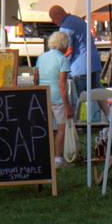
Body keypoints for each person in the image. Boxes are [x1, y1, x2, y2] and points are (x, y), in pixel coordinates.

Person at [49, 4, 102, 121]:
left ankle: (78, 124)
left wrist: (59, 66)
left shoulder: (65, 27)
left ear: (60, 14)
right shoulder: (78, 20)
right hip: (94, 62)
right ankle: (108, 118)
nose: (52, 21)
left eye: (53, 17)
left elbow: (68, 50)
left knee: (79, 98)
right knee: (98, 94)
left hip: (80, 67)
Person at [37, 30, 74, 166]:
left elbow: (36, 78)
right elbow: (62, 86)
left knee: (45, 129)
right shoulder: (62, 59)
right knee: (61, 129)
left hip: (43, 96)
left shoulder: (41, 57)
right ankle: (58, 157)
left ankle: (45, 155)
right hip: (58, 98)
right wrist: (68, 106)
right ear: (63, 44)